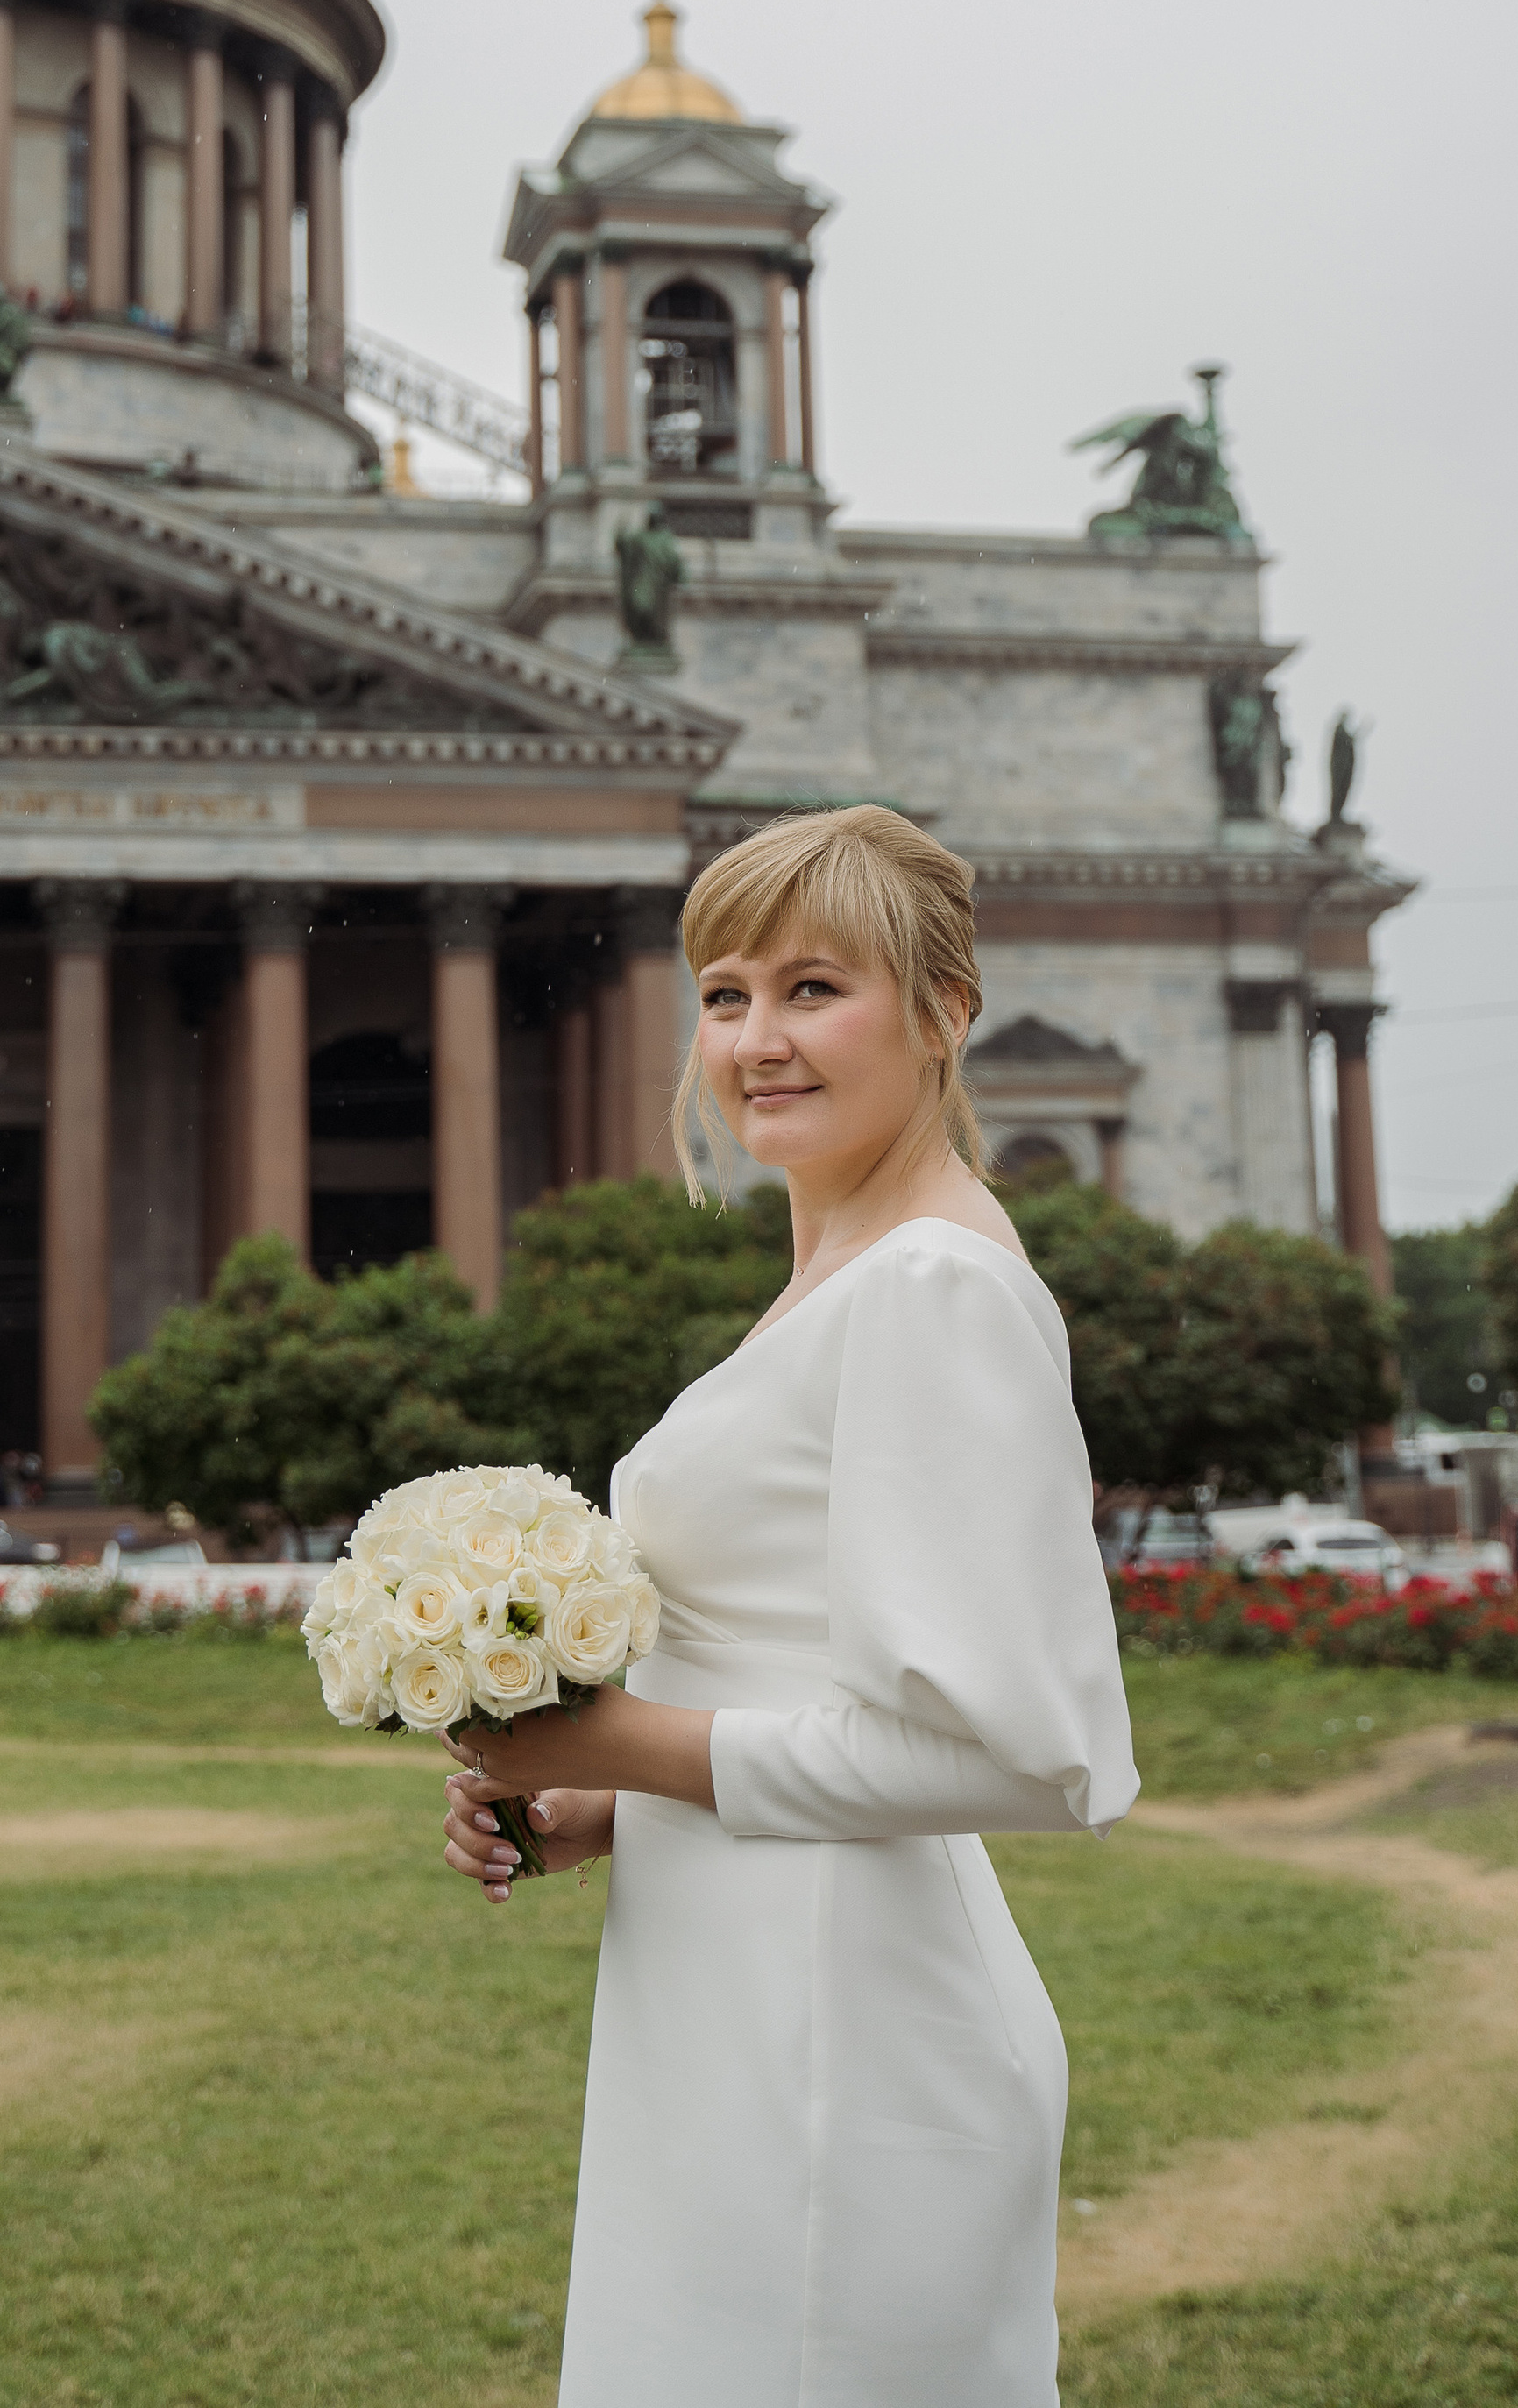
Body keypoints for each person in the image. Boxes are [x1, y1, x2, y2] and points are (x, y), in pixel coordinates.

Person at [443, 804, 1137, 2406]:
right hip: (735, 1994)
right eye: (726, 992)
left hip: (848, 2041)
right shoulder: (845, 1273)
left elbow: (1006, 1755)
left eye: (816, 988)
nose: (757, 1037)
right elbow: (814, 1682)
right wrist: (603, 1802)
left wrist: (622, 1739)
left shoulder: (935, 1288)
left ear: (945, 1012)